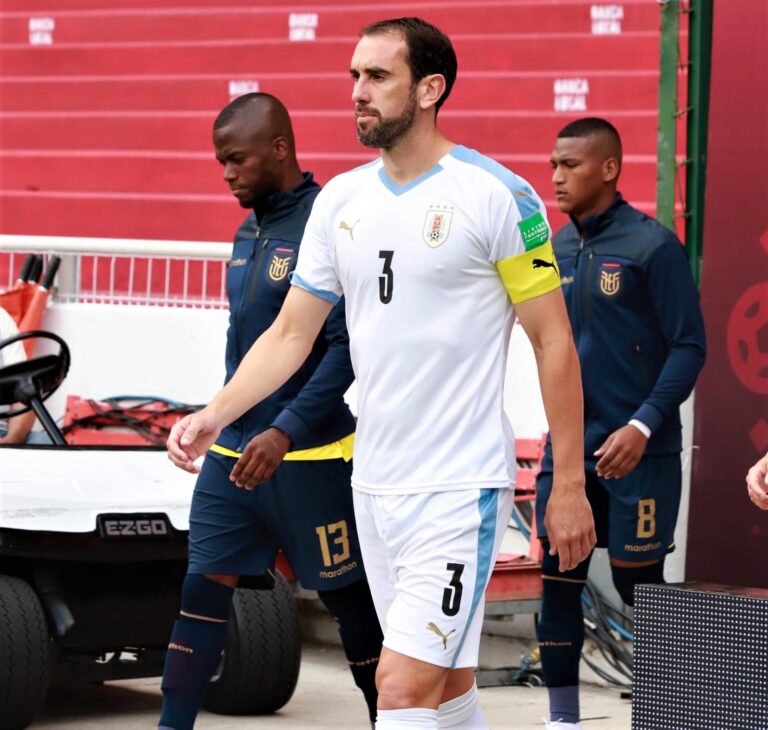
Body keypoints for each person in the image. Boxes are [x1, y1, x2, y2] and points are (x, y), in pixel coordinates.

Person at [168, 19, 595, 730]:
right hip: (373, 487)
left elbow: (553, 342)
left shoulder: (498, 196)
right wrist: (215, 412)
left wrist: (571, 483)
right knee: (448, 688)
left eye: (377, 77)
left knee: (398, 689)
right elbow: (290, 332)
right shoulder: (341, 202)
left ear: (431, 89)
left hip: (457, 490)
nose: (358, 93)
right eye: (354, 77)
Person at [158, 93, 382, 730]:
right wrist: (214, 416)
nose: (227, 172)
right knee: (200, 598)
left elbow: (344, 350)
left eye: (237, 159)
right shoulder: (247, 229)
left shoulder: (326, 225)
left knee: (352, 608)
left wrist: (287, 429)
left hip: (310, 459)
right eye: (220, 161)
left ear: (279, 149)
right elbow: (249, 345)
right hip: (233, 453)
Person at [536, 117, 707, 729]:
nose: (556, 176)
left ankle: (676, 713)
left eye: (571, 165)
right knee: (557, 584)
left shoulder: (652, 247)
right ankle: (563, 721)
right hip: (568, 457)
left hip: (641, 454)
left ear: (609, 169)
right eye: (553, 164)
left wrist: (641, 426)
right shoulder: (551, 250)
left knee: (646, 595)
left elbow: (689, 346)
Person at [0, 306, 47, 444]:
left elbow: (23, 390)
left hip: (3, 429)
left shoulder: (2, 319)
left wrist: (13, 439)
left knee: (43, 443)